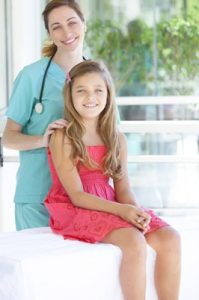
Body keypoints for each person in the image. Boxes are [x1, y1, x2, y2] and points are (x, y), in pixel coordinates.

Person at [45, 60, 181, 300]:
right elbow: (76, 196)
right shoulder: (63, 136)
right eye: (82, 91)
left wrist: (135, 211)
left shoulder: (117, 138)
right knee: (133, 239)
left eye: (98, 90)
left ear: (108, 94)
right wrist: (123, 211)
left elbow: (123, 187)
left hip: (111, 203)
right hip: (74, 206)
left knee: (170, 237)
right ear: (70, 95)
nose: (91, 97)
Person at [2, 0, 87, 230]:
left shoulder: (96, 76)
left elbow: (110, 131)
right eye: (56, 26)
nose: (66, 32)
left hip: (85, 195)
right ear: (49, 34)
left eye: (72, 22)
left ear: (84, 24)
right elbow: (8, 137)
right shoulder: (31, 76)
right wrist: (43, 140)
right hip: (38, 196)